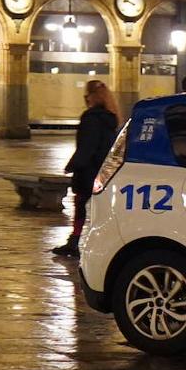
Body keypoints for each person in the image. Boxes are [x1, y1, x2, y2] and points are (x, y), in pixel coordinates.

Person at [52, 80, 120, 257]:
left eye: (86, 95)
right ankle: (105, 243)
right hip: (104, 171)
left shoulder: (91, 118)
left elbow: (87, 146)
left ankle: (74, 242)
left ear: (91, 97)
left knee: (81, 205)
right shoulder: (111, 118)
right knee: (102, 209)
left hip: (89, 170)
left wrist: (72, 165)